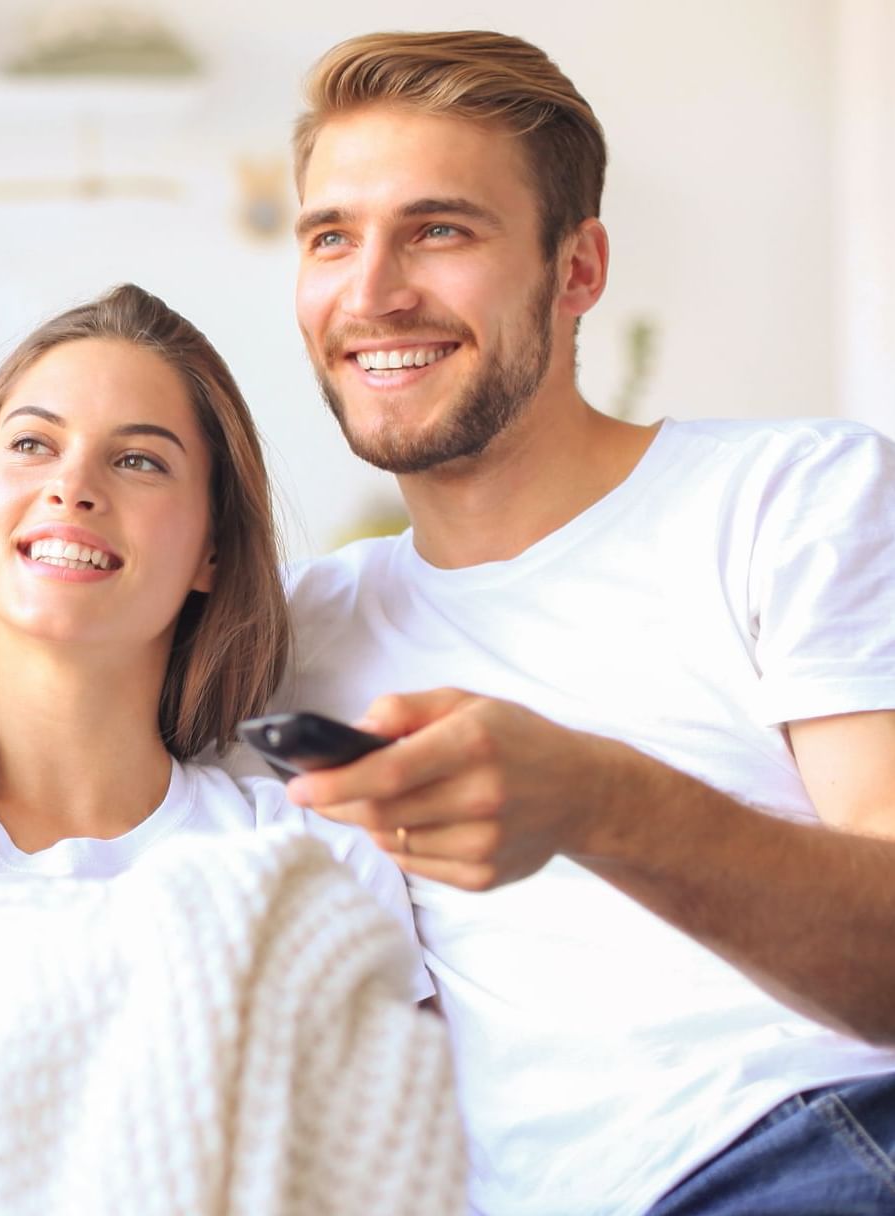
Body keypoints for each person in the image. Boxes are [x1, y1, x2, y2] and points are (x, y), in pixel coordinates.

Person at [256, 28, 895, 1216]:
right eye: (331, 236)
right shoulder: (296, 634)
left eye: (439, 229)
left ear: (577, 269)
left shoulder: (790, 497)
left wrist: (604, 804)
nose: (372, 289)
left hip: (823, 1143)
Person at [0, 282, 430, 1004]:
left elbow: (389, 1107)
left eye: (138, 461)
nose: (72, 486)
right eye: (32, 445)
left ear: (213, 547)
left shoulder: (309, 864)